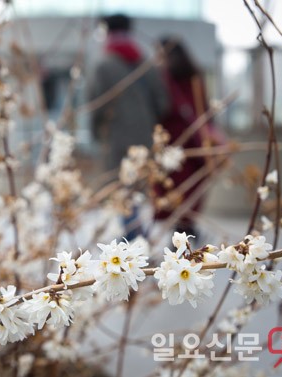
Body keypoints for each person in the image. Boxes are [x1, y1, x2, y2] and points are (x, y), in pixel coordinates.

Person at [88, 14, 170, 240]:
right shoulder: (146, 64)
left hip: (117, 138)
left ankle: (133, 236)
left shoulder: (104, 66)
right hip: (145, 137)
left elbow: (97, 105)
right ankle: (136, 234)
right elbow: (163, 102)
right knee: (138, 189)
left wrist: (97, 133)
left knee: (122, 188)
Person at [153, 36, 225, 239]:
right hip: (195, 142)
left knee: (175, 186)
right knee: (189, 188)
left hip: (175, 140)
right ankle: (185, 228)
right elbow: (204, 108)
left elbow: (165, 107)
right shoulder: (195, 76)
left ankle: (182, 231)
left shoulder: (166, 78)